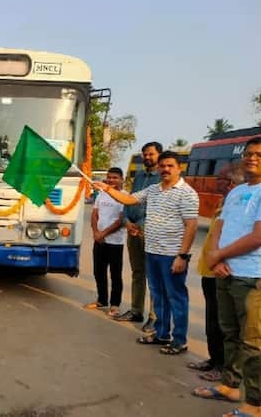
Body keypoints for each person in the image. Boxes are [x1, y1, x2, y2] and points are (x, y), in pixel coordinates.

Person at [95, 150, 199, 355]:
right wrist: (106, 188)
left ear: (179, 168)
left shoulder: (187, 193)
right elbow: (128, 200)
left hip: (172, 255)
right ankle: (162, 334)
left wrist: (182, 256)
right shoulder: (153, 190)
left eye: (170, 166)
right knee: (159, 296)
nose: (165, 169)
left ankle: (179, 340)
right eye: (163, 166)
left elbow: (191, 226)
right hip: (152, 252)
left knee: (176, 298)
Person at [192, 136, 261, 417]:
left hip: (253, 276)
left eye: (259, 154)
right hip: (226, 272)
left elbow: (258, 237)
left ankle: (255, 404)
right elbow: (218, 228)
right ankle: (229, 386)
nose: (252, 158)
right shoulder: (236, 192)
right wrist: (215, 258)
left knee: (254, 341)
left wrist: (218, 255)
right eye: (248, 153)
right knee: (230, 334)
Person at [187, 162, 243, 382]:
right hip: (209, 271)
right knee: (212, 320)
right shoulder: (222, 202)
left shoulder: (239, 205)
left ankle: (224, 367)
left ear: (230, 183)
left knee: (224, 324)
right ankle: (213, 359)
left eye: (219, 179)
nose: (215, 182)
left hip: (223, 271)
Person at [114, 142, 162, 333]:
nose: (147, 157)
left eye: (151, 154)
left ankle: (155, 317)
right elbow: (130, 200)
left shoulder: (162, 178)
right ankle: (136, 310)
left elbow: (157, 206)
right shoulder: (139, 176)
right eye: (145, 154)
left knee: (154, 275)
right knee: (137, 272)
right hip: (132, 229)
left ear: (159, 155)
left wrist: (141, 224)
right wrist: (126, 221)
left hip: (150, 230)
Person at [84, 167, 127, 317]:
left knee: (115, 274)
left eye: (115, 177)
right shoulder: (101, 194)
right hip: (99, 241)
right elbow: (94, 215)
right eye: (109, 177)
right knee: (98, 271)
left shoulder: (125, 196)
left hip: (115, 242)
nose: (111, 180)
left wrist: (103, 233)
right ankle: (102, 300)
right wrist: (96, 233)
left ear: (122, 179)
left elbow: (120, 221)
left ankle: (115, 305)